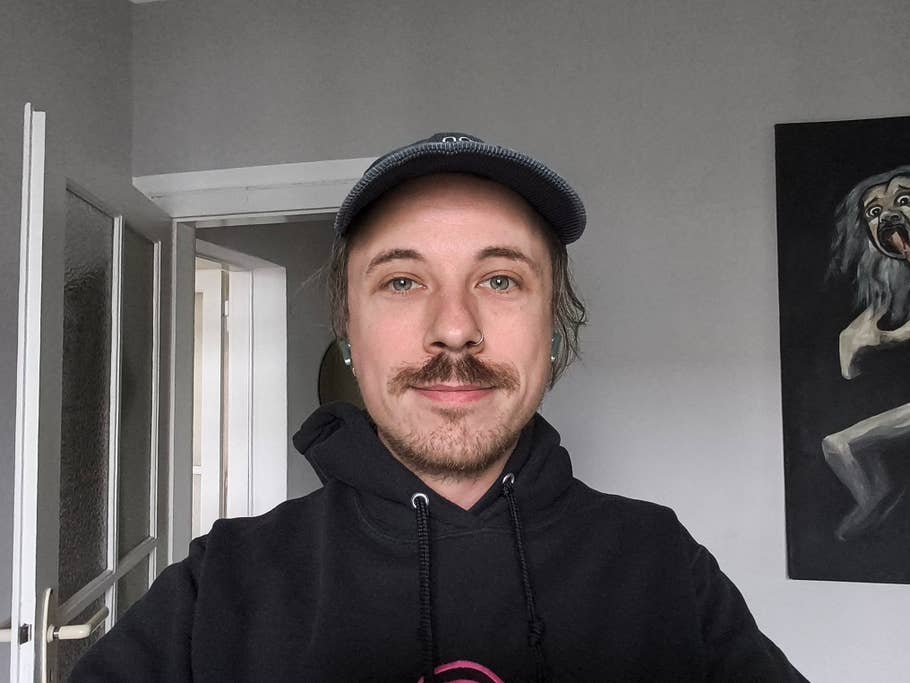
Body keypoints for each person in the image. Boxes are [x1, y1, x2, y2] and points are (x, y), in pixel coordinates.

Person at [71, 133, 807, 682]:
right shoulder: (224, 583)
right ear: (349, 330)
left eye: (500, 279)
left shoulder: (662, 564)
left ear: (554, 326)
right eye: (401, 281)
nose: (454, 326)